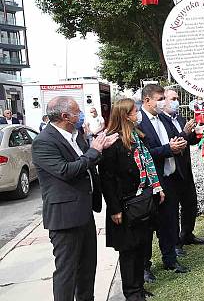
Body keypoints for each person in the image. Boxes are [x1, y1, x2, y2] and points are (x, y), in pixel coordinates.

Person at [31, 96, 118, 301]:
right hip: (64, 218)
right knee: (67, 273)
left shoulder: (76, 135)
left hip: (84, 211)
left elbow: (87, 162)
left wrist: (100, 149)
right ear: (65, 116)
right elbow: (66, 171)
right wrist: (94, 151)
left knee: (87, 268)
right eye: (77, 113)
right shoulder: (44, 142)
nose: (81, 116)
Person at [100, 98, 164, 301]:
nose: (138, 114)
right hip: (125, 206)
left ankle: (138, 287)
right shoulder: (112, 142)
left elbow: (147, 165)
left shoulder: (136, 137)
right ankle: (132, 292)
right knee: (128, 252)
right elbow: (107, 180)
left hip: (142, 201)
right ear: (126, 116)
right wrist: (114, 209)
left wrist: (156, 188)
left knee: (141, 247)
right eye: (135, 111)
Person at [138, 84, 190, 278]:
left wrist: (182, 140)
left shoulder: (163, 119)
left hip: (170, 179)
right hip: (152, 184)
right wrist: (169, 149)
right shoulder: (140, 123)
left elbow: (174, 139)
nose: (163, 103)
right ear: (147, 101)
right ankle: (145, 267)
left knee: (169, 223)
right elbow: (144, 155)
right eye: (159, 99)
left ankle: (169, 259)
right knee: (149, 227)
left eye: (164, 99)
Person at [162, 89, 204, 248]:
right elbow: (174, 142)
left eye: (178, 99)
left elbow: (188, 141)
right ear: (164, 100)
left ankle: (187, 234)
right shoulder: (161, 121)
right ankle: (175, 243)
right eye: (173, 98)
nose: (176, 102)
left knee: (190, 203)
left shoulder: (180, 118)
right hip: (172, 171)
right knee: (173, 210)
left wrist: (196, 134)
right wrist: (186, 132)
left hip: (185, 169)